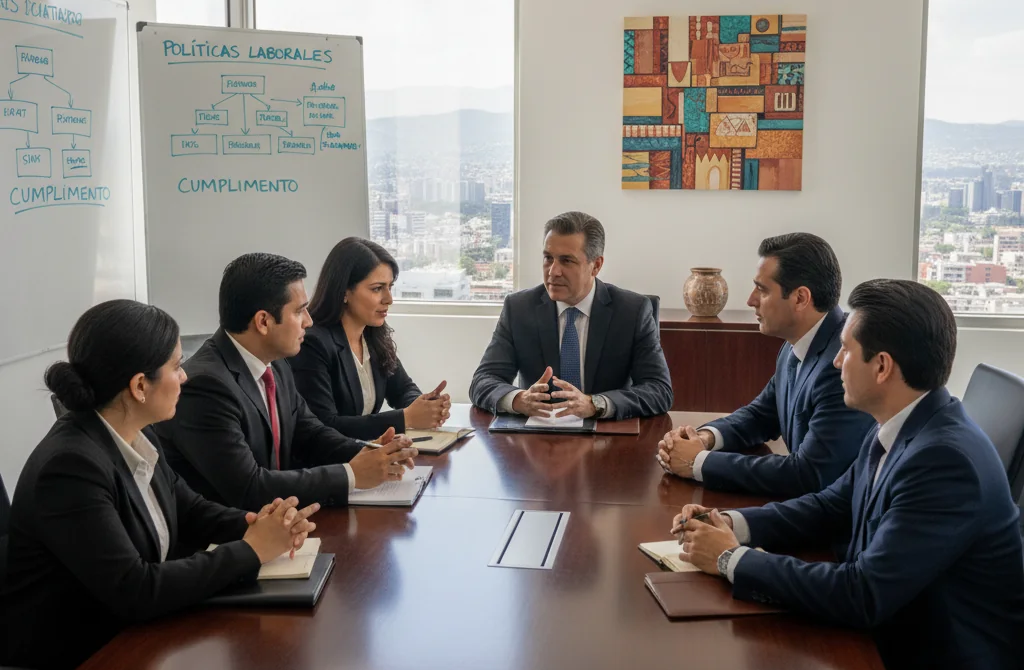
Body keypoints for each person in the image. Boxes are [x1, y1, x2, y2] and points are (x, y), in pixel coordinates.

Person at [671, 279, 1024, 670]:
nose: (835, 362)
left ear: (881, 366)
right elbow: (830, 506)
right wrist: (730, 522)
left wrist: (728, 558)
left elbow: (863, 593)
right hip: (884, 650)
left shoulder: (944, 460)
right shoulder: (903, 426)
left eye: (845, 351)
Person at [3, 300, 318, 670]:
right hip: (80, 669)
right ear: (140, 386)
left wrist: (262, 523)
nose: (184, 377)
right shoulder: (70, 468)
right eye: (176, 366)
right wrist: (252, 549)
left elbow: (191, 510)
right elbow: (135, 589)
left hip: (138, 638)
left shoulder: (136, 433)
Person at [157, 253, 416, 513]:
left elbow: (310, 433)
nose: (309, 321)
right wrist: (351, 474)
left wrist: (368, 452)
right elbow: (249, 487)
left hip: (282, 520)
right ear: (263, 321)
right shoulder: (205, 388)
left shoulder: (276, 362)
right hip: (232, 530)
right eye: (299, 311)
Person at [658, 233, 873, 497]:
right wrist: (704, 438)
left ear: (800, 298)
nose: (751, 300)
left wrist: (698, 462)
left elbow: (808, 475)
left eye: (762, 289)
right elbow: (761, 415)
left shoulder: (842, 364)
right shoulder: (798, 343)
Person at [469, 211, 672, 419]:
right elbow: (483, 381)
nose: (553, 271)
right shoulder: (519, 308)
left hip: (607, 431)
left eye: (566, 261)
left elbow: (659, 390)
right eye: (548, 258)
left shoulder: (631, 311)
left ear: (596, 266)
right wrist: (518, 399)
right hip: (538, 433)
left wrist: (595, 404)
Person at [290, 237, 451, 439]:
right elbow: (325, 425)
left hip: (368, 450)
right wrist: (406, 418)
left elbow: (402, 389)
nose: (389, 299)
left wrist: (426, 406)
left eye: (390, 287)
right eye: (377, 289)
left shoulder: (373, 334)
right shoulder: (312, 344)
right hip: (335, 457)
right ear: (344, 292)